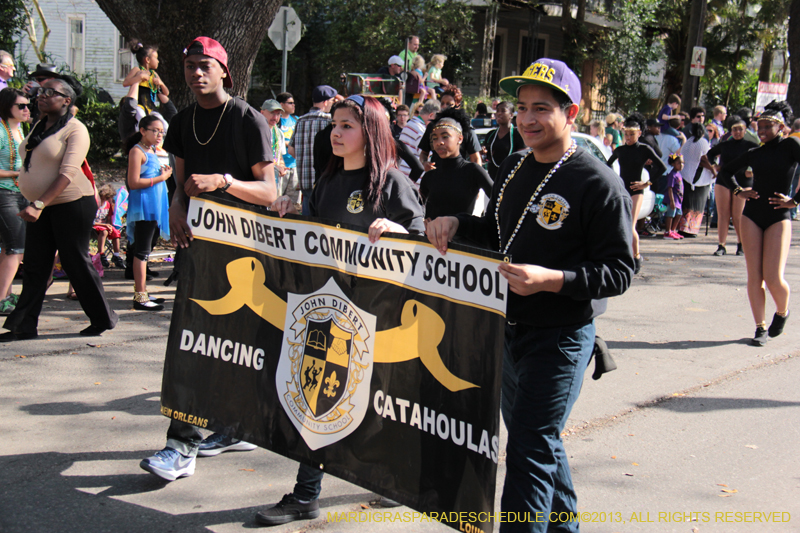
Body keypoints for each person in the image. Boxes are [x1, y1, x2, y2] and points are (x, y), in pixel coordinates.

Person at [426, 58, 633, 533]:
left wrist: (553, 279)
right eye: (521, 108)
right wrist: (458, 223)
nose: (527, 119)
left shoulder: (598, 183)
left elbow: (620, 271)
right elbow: (501, 234)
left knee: (527, 447)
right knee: (537, 444)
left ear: (572, 112)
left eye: (541, 108)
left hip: (560, 339)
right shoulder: (515, 166)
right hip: (507, 332)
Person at [261, 95, 425, 526]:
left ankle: (400, 478)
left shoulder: (393, 183)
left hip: (378, 317)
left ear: (370, 132)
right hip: (328, 315)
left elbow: (426, 245)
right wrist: (290, 212)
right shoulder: (327, 184)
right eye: (335, 124)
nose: (336, 132)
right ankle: (305, 494)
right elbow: (311, 237)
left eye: (348, 125)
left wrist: (399, 230)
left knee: (378, 406)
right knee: (319, 400)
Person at [138, 36, 276, 480]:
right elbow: (178, 182)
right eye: (190, 66)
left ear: (224, 72)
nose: (197, 73)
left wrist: (223, 181)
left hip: (244, 254)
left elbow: (270, 193)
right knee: (196, 342)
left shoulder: (247, 119)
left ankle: (186, 445)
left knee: (222, 344)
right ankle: (208, 434)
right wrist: (177, 204)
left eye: (205, 66)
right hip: (197, 250)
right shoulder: (181, 122)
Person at [1, 75, 118, 341]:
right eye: (41, 91)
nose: (42, 95)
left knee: (75, 261)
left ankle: (103, 318)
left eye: (50, 92)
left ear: (66, 100)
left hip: (72, 203)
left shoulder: (75, 129)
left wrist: (39, 203)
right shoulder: (39, 126)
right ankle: (23, 326)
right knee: (35, 265)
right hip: (41, 205)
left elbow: (67, 173)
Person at [718, 101, 800, 346]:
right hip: (752, 215)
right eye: (760, 126)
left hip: (778, 215)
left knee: (773, 277)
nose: (762, 130)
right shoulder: (755, 151)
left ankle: (782, 311)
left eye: (767, 126)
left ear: (781, 126)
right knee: (755, 276)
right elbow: (725, 171)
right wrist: (738, 191)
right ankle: (760, 328)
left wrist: (795, 201)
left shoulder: (791, 146)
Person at [606, 117, 666, 273]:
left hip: (637, 190)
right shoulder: (620, 150)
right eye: (626, 133)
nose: (628, 137)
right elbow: (606, 166)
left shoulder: (644, 149)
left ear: (639, 133)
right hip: (622, 189)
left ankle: (636, 256)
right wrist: (614, 181)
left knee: (630, 224)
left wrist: (647, 183)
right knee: (620, 223)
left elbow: (662, 167)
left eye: (632, 134)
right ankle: (622, 256)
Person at [125, 115, 172, 311]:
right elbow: (133, 182)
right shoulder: (137, 151)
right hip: (144, 208)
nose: (159, 135)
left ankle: (143, 291)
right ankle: (140, 296)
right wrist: (161, 178)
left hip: (154, 207)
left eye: (161, 131)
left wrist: (163, 174)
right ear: (143, 130)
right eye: (155, 130)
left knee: (147, 250)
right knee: (142, 252)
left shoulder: (151, 150)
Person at [701, 116, 758, 256]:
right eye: (734, 129)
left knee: (738, 215)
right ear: (730, 131)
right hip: (724, 180)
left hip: (743, 181)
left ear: (745, 130)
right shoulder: (725, 145)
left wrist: (752, 170)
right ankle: (721, 245)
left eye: (740, 129)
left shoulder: (751, 146)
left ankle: (740, 244)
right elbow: (710, 154)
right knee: (723, 214)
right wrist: (714, 166)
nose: (737, 132)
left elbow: (760, 160)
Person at [420, 116, 492, 219]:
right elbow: (417, 208)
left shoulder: (473, 171)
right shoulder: (429, 177)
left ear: (460, 138)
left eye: (445, 136)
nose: (439, 142)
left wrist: (480, 225)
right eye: (434, 138)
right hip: (432, 235)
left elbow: (500, 200)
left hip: (464, 234)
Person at [0, 88, 30, 315]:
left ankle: (6, 295)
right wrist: (16, 173)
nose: (26, 109)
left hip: (20, 193)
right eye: (21, 106)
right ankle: (2, 299)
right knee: (15, 248)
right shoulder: (0, 131)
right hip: (4, 194)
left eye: (28, 105)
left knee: (10, 249)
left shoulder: (20, 131)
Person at [288, 85, 337, 215]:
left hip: (304, 179)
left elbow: (291, 150)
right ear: (326, 102)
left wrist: (303, 159)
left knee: (307, 219)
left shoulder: (300, 120)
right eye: (332, 101)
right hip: (324, 178)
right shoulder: (329, 121)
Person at [418, 86, 482, 169]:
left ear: (457, 105)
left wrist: (473, 178)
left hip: (459, 176)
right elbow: (423, 153)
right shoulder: (433, 126)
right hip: (437, 175)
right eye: (442, 103)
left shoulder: (466, 128)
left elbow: (476, 159)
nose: (444, 106)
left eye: (449, 104)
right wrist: (424, 163)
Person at [677, 122, 711, 237]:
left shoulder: (687, 143)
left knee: (686, 203)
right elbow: (704, 159)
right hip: (699, 176)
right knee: (697, 204)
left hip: (685, 174)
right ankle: (691, 229)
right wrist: (714, 170)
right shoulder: (703, 143)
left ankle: (683, 227)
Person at [262, 99, 299, 204]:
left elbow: (280, 156)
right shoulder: (256, 131)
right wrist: (274, 166)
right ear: (262, 112)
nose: (275, 117)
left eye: (278, 114)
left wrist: (282, 166)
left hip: (275, 181)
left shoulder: (278, 133)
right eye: (272, 113)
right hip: (261, 181)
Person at [397, 100, 440, 183]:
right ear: (431, 115)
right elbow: (426, 155)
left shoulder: (409, 124)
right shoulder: (420, 131)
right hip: (414, 178)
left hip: (403, 173)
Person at [122, 42, 170, 114]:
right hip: (139, 106)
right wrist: (140, 77)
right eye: (156, 58)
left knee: (163, 123)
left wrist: (161, 84)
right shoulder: (137, 70)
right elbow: (125, 83)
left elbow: (166, 93)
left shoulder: (154, 74)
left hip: (151, 107)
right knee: (141, 116)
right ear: (147, 60)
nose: (158, 61)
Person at [484, 101, 524, 179]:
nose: (499, 113)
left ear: (511, 115)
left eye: (503, 111)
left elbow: (523, 159)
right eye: (497, 111)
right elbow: (486, 156)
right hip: (493, 178)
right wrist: (483, 151)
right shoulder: (491, 135)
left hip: (511, 178)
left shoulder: (518, 134)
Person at [92, 184, 125, 270]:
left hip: (105, 225)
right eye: (103, 198)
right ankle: (101, 254)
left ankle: (116, 255)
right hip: (94, 226)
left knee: (116, 232)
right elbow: (91, 221)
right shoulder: (95, 204)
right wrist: (105, 225)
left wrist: (109, 225)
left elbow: (109, 217)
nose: (105, 200)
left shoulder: (108, 205)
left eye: (107, 199)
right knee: (104, 231)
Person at [662, 153, 685, 240]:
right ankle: (667, 232)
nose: (681, 165)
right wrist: (671, 201)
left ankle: (673, 230)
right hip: (673, 198)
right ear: (673, 164)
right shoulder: (672, 174)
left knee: (679, 214)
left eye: (682, 163)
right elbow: (670, 188)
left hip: (679, 199)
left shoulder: (679, 174)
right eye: (679, 163)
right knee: (671, 214)